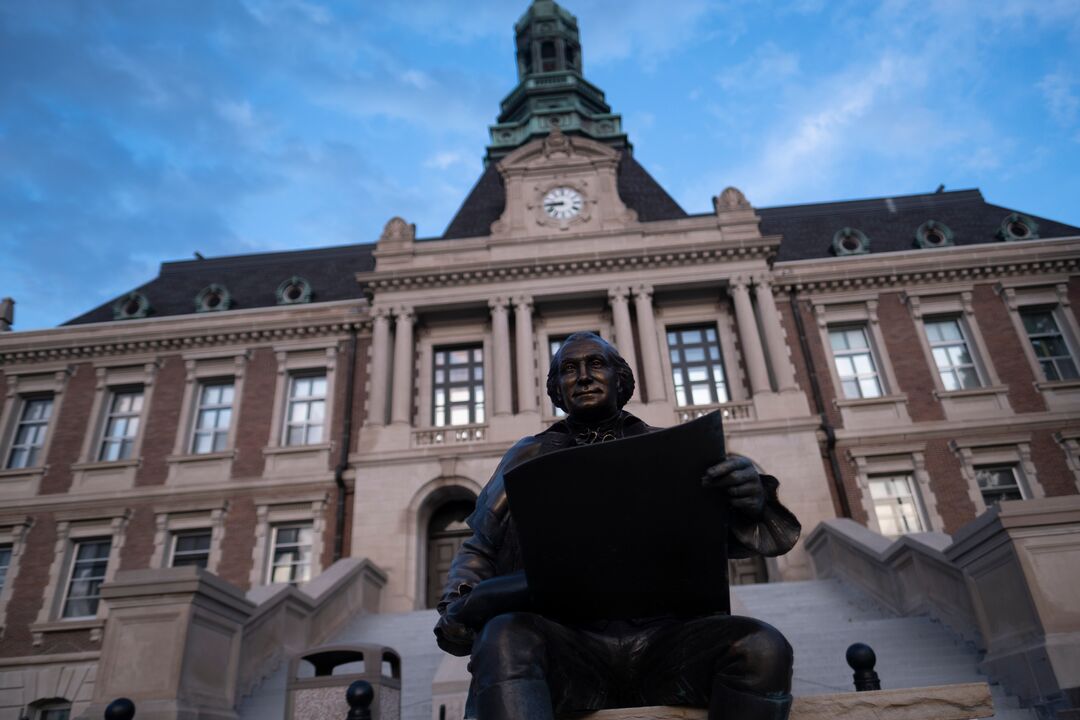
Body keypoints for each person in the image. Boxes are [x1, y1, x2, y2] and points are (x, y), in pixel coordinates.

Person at [434, 332, 801, 720]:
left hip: (665, 643)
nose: (584, 377)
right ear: (557, 389)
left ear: (619, 378)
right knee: (504, 637)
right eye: (569, 370)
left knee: (762, 647)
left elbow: (728, 537)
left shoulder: (674, 452)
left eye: (596, 364)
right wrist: (462, 602)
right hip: (568, 646)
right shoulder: (526, 457)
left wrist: (751, 501)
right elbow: (481, 544)